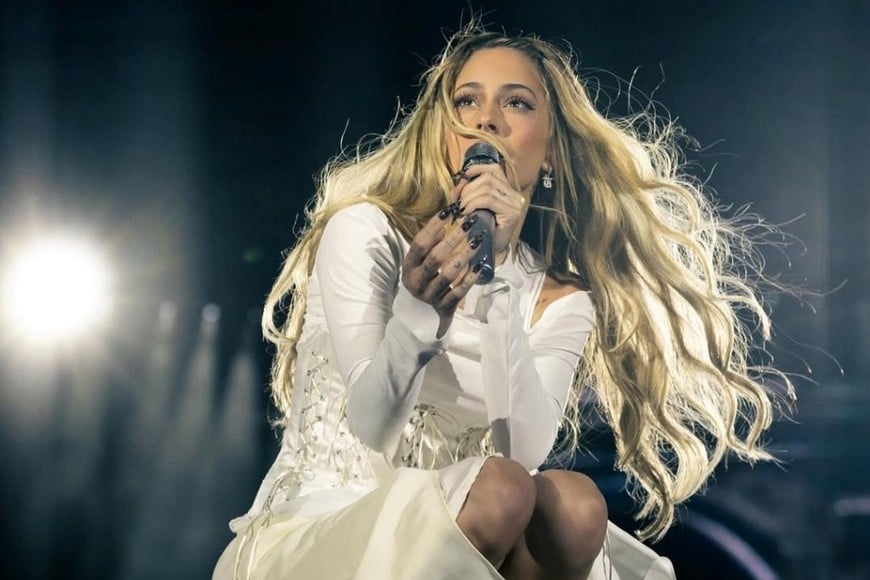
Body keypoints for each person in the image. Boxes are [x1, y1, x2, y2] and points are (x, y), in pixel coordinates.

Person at [213, 24, 791, 580]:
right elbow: (373, 429)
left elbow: (522, 449)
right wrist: (420, 313)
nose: (486, 118)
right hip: (330, 530)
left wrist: (497, 283)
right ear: (444, 137)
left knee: (573, 505)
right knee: (501, 490)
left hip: (479, 530)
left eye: (517, 103)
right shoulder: (368, 232)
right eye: (466, 102)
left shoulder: (561, 297)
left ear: (552, 156)